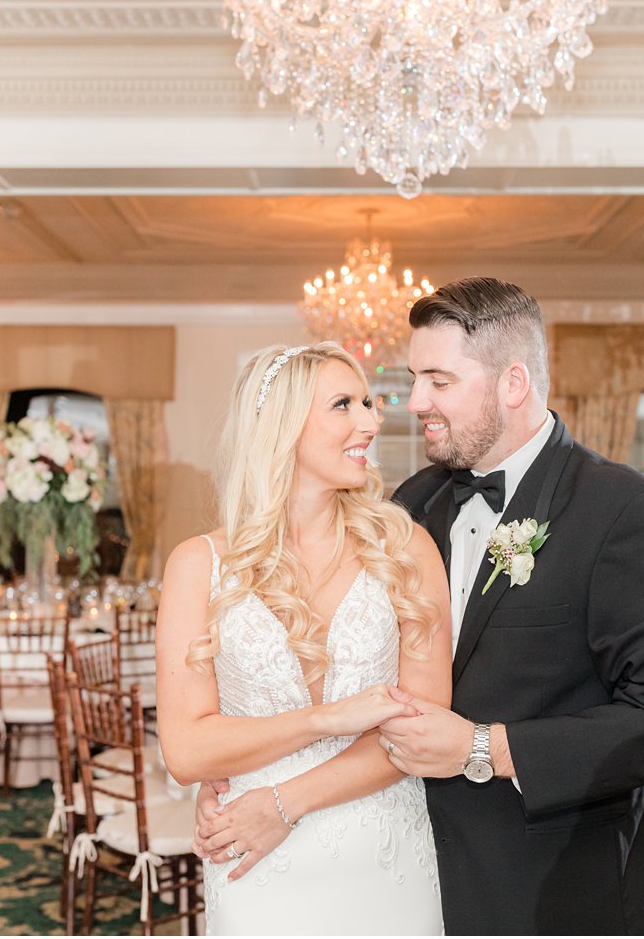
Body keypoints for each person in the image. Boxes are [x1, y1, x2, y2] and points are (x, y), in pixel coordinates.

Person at [378, 276, 644, 934]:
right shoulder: (412, 503)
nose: (416, 400)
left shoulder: (628, 512)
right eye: (415, 378)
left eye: (439, 380)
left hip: (560, 889)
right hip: (415, 872)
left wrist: (485, 746)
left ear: (513, 383)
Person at [156, 342, 453, 936]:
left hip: (383, 851)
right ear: (281, 427)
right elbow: (186, 753)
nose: (372, 421)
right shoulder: (198, 565)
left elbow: (424, 727)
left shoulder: (406, 549)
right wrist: (328, 719)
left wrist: (284, 803)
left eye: (367, 403)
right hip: (253, 858)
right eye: (343, 404)